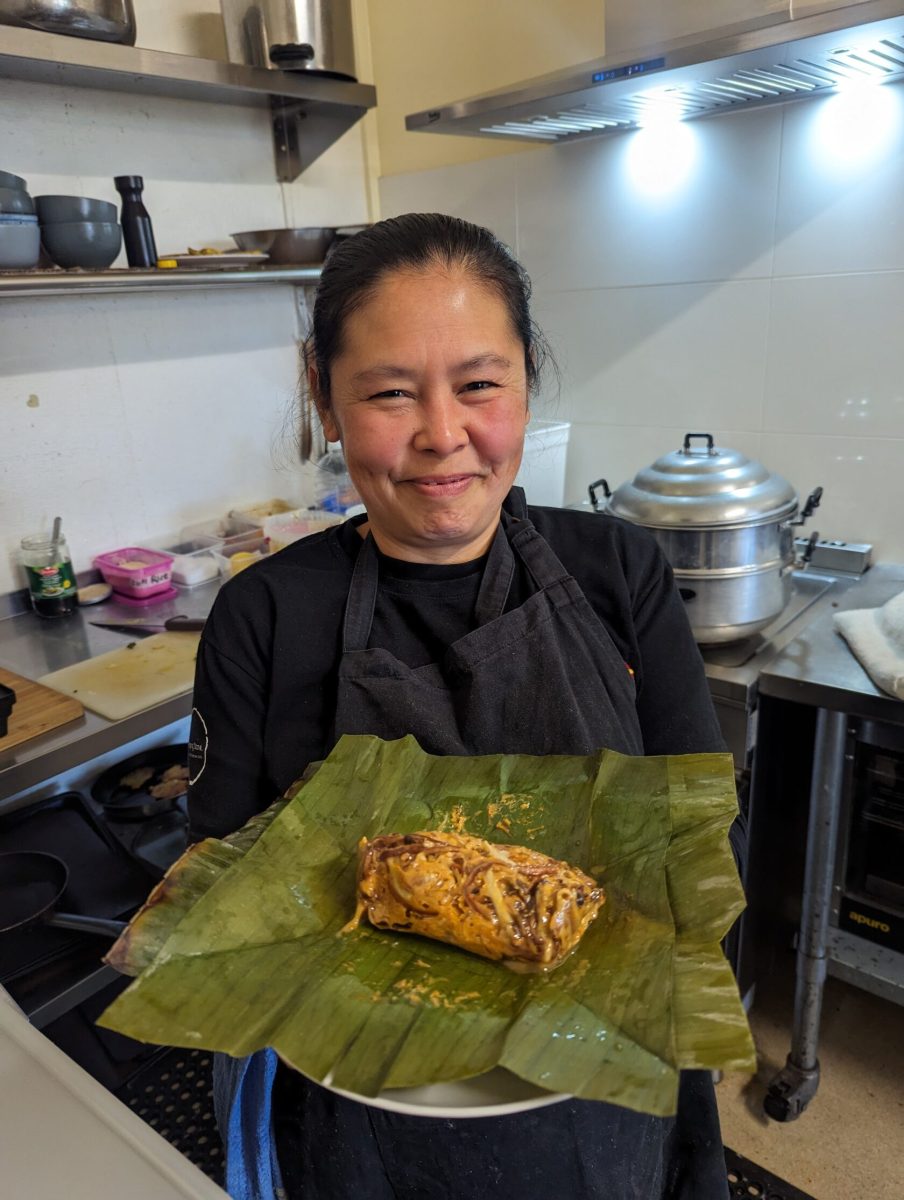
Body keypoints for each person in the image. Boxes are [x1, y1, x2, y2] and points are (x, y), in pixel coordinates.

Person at [188, 212, 745, 1200]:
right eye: (389, 393)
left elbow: (695, 858)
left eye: (479, 385)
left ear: (526, 381)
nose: (442, 437)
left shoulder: (620, 573)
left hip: (603, 1083)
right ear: (324, 396)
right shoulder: (263, 616)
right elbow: (225, 900)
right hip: (364, 1103)